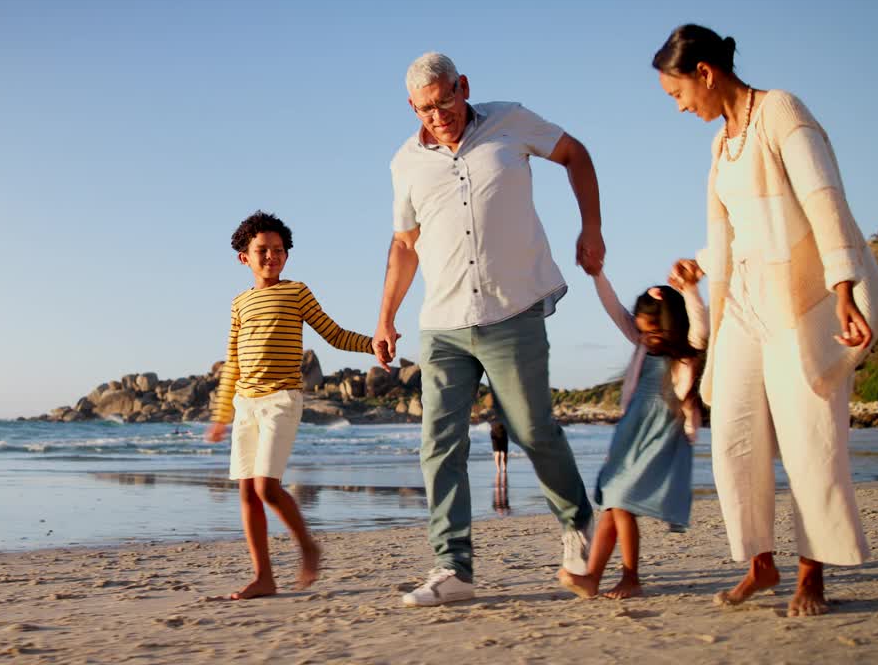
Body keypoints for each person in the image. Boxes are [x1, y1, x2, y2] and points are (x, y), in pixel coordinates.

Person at [652, 24, 878, 616]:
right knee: (733, 436)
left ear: (704, 72)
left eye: (678, 94)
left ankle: (813, 572)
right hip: (743, 304)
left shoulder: (781, 111)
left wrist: (841, 288)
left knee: (811, 438)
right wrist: (701, 264)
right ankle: (761, 564)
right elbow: (735, 228)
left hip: (800, 300)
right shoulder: (720, 144)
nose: (679, 107)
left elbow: (823, 197)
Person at [377, 52, 604, 606]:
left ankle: (578, 526)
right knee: (438, 443)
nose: (439, 115)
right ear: (412, 107)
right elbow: (405, 244)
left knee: (533, 430)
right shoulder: (405, 162)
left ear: (463, 87)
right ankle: (453, 567)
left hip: (513, 311)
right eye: (426, 108)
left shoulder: (510, 122)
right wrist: (385, 316)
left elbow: (576, 155)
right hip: (444, 325)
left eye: (446, 100)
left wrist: (591, 228)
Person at [205, 211, 375, 600]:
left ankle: (308, 546)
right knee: (247, 492)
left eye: (278, 250)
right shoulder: (240, 303)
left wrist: (373, 343)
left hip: (282, 398)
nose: (271, 257)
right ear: (243, 258)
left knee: (266, 487)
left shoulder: (296, 292)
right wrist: (222, 415)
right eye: (262, 250)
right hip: (245, 402)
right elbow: (232, 360)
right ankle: (263, 576)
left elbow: (333, 334)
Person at [559, 267, 707, 600]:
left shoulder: (686, 353)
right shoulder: (641, 344)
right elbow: (614, 309)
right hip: (631, 433)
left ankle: (631, 577)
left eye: (653, 332)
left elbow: (699, 323)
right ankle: (592, 578)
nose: (645, 338)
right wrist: (598, 277)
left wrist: (691, 291)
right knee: (612, 504)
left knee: (622, 503)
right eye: (640, 331)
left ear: (671, 327)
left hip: (662, 435)